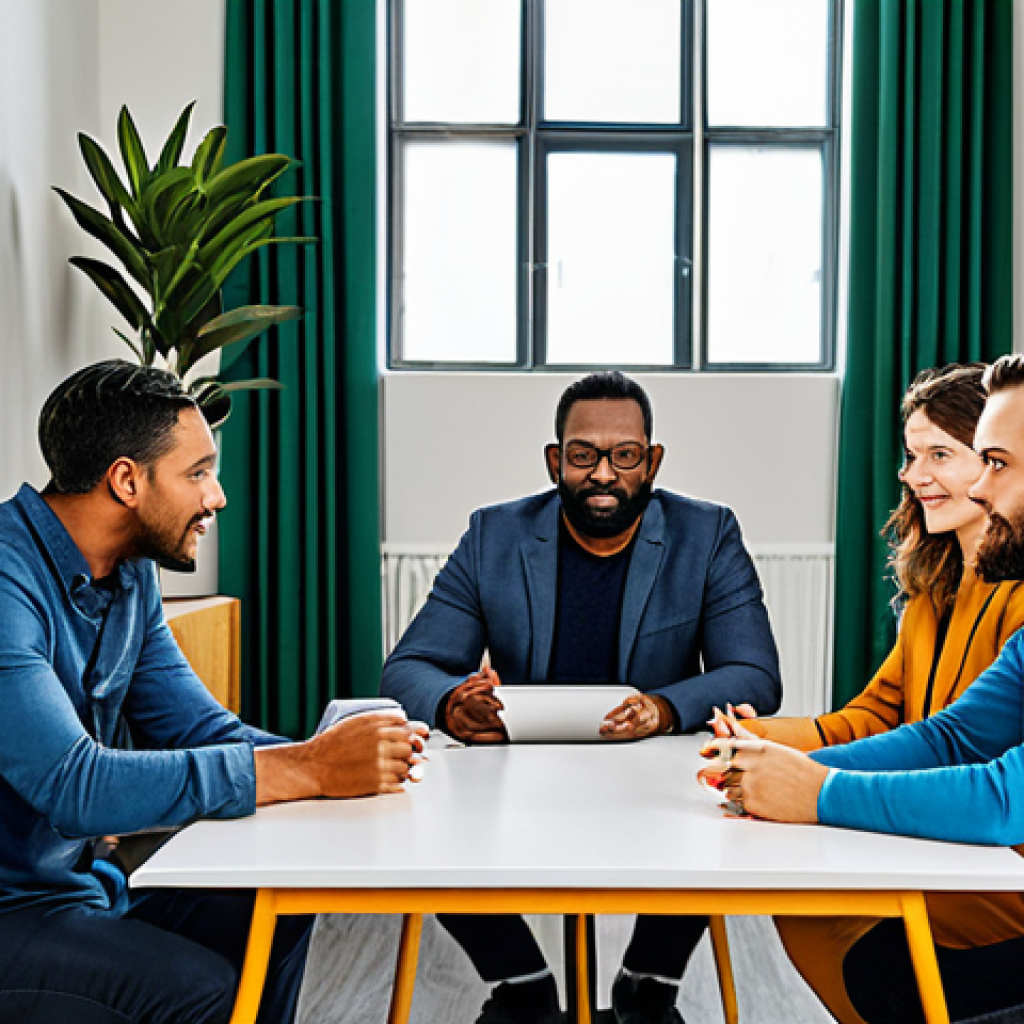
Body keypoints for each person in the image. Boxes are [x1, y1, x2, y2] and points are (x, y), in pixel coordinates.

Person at [0, 360, 426, 1024]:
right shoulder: (6, 581)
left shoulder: (126, 575)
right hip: (12, 913)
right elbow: (72, 784)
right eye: (197, 472)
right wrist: (309, 768)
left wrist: (350, 764)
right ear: (126, 480)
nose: (216, 495)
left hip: (81, 890)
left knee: (275, 907)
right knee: (201, 990)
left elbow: (200, 728)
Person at [382, 370, 781, 1024]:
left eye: (623, 456)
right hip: (516, 774)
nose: (603, 473)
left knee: (734, 795)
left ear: (650, 462)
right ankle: (521, 982)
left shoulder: (707, 535)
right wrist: (456, 702)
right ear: (554, 462)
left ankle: (649, 983)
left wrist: (661, 707)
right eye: (582, 455)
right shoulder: (494, 536)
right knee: (418, 808)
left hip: (657, 773)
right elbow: (408, 669)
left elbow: (755, 674)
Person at [705, 352, 1024, 1023]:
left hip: (995, 872)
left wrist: (816, 790)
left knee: (857, 936)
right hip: (974, 850)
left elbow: (1005, 799)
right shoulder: (940, 597)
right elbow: (952, 734)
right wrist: (777, 764)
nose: (983, 490)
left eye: (995, 463)